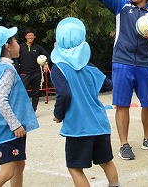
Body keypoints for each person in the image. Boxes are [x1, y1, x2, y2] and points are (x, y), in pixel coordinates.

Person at [65, 0, 148, 160]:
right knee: (122, 105)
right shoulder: (122, 6)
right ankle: (124, 145)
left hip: (144, 64)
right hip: (122, 62)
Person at [50, 17, 120, 187]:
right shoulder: (89, 68)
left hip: (78, 128)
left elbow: (64, 94)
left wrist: (58, 114)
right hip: (100, 124)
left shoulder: (58, 68)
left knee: (75, 168)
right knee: (106, 161)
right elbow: (108, 85)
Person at [0, 26, 39, 187]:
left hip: (11, 128)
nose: (17, 44)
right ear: (7, 46)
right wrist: (15, 124)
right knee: (8, 171)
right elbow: (1, 100)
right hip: (8, 129)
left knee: (19, 165)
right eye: (14, 41)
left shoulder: (2, 67)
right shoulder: (7, 70)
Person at [15, 28, 50, 111]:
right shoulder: (20, 47)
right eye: (28, 35)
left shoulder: (38, 48)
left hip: (36, 73)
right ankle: (22, 110)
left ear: (34, 37)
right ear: (25, 36)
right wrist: (17, 71)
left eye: (32, 35)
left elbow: (47, 56)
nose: (30, 37)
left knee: (35, 93)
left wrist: (46, 64)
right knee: (21, 92)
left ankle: (33, 111)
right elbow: (16, 59)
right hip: (24, 73)